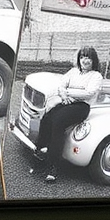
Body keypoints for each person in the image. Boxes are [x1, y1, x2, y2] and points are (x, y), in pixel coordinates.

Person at [31, 46, 103, 183]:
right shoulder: (73, 71)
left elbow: (88, 93)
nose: (84, 61)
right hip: (67, 101)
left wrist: (68, 92)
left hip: (81, 106)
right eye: (82, 57)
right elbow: (61, 85)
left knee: (58, 122)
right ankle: (40, 151)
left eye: (88, 57)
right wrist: (64, 94)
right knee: (47, 117)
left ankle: (53, 166)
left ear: (93, 60)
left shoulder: (96, 76)